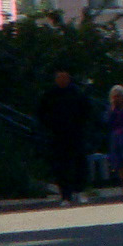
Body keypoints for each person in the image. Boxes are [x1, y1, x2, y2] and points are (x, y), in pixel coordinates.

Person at [36, 69, 94, 204]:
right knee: (61, 166)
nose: (62, 81)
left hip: (76, 134)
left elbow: (87, 112)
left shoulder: (77, 94)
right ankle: (65, 195)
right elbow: (41, 113)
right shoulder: (50, 95)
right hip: (58, 136)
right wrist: (49, 128)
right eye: (59, 78)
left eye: (64, 78)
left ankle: (79, 191)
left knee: (79, 164)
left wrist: (83, 127)